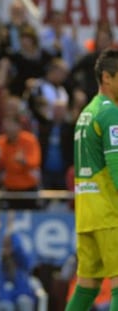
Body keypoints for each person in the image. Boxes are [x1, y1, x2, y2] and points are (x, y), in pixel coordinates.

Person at [65, 48, 118, 311]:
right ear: (107, 78)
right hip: (109, 213)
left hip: (86, 214)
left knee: (87, 287)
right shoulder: (110, 113)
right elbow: (117, 166)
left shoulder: (86, 113)